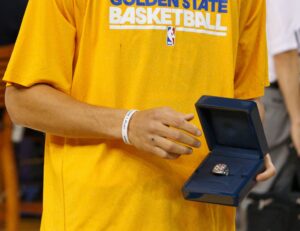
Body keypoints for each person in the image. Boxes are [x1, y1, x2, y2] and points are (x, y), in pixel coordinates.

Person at [3, 0, 275, 230]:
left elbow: (246, 98)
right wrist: (127, 124)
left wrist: (248, 148)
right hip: (97, 215)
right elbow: (22, 101)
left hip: (203, 214)